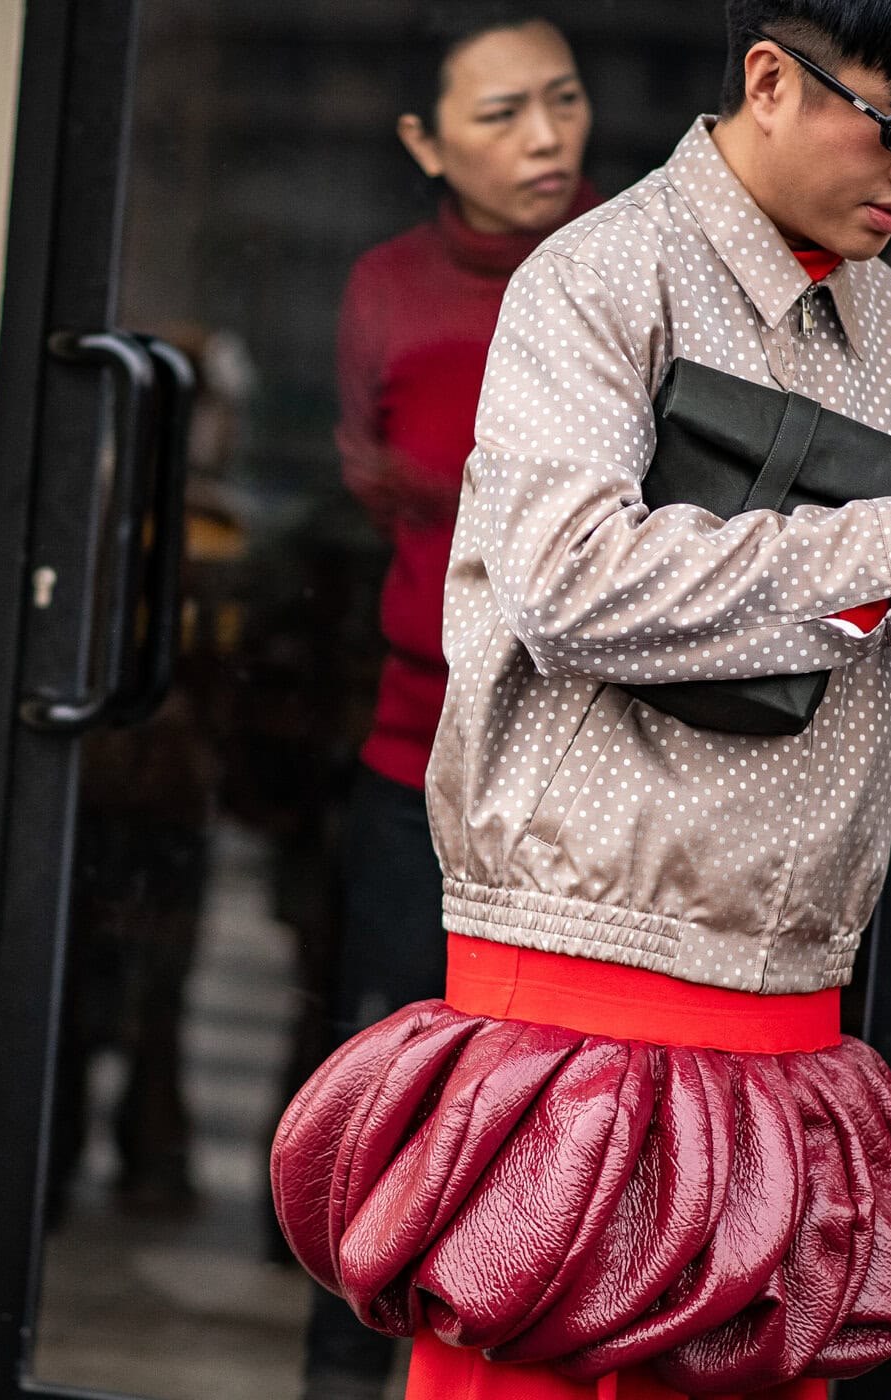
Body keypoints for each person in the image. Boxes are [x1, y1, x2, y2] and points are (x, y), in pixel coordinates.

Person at [274, 1, 891, 1396]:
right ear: (771, 78)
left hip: (792, 997)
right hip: (574, 989)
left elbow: (865, 658)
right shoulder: (601, 275)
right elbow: (568, 580)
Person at [301, 9, 599, 1399]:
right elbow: (374, 477)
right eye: (498, 114)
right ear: (423, 140)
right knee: (383, 1098)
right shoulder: (387, 288)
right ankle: (347, 1378)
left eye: (564, 99)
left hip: (579, 782)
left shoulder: (626, 272)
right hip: (410, 757)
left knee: (537, 1126)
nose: (545, 139)